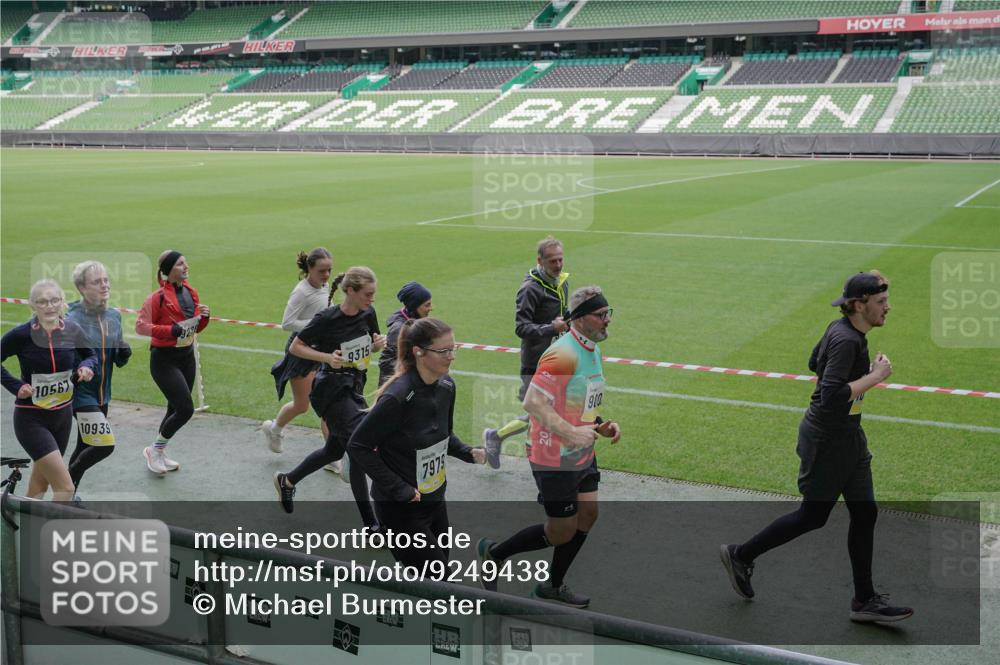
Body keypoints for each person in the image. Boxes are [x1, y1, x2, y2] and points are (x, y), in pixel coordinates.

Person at [720, 271, 913, 624]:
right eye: (881, 302)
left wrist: (855, 376)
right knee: (813, 516)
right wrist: (875, 376)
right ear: (859, 305)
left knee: (865, 513)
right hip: (827, 440)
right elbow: (831, 397)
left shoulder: (843, 331)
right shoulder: (846, 340)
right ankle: (741, 554)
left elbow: (814, 363)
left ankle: (864, 600)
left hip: (849, 437)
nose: (888, 307)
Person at [478, 286, 621, 608]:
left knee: (588, 515)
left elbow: (577, 401)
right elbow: (533, 402)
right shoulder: (562, 354)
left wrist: (600, 424)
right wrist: (572, 433)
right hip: (553, 456)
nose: (607, 320)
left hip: (580, 449)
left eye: (608, 313)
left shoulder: (593, 350)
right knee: (561, 532)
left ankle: (552, 586)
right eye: (601, 315)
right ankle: (494, 553)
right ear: (580, 318)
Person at [350, 318, 487, 567]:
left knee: (435, 576)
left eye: (453, 349)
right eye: (443, 351)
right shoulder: (397, 397)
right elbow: (358, 446)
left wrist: (469, 452)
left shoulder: (447, 386)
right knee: (438, 579)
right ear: (419, 352)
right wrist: (399, 488)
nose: (451, 357)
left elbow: (442, 435)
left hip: (435, 501)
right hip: (400, 508)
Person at [273, 266, 385, 532]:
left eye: (373, 294)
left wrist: (376, 345)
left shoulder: (368, 313)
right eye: (367, 294)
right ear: (351, 291)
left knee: (334, 450)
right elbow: (295, 347)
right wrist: (327, 358)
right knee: (358, 448)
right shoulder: (327, 318)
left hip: (354, 386)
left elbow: (370, 344)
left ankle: (287, 481)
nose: (372, 299)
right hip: (330, 390)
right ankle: (371, 525)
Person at [1, 280, 97, 501]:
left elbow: (91, 355)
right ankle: (53, 524)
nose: (50, 306)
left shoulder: (72, 330)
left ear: (62, 302)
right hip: (31, 419)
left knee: (39, 485)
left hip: (62, 417)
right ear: (32, 305)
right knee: (66, 489)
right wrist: (16, 386)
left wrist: (86, 366)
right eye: (42, 302)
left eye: (54, 300)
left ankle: (25, 523)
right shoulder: (21, 335)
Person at [482, 236, 569, 469]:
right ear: (540, 261)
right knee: (541, 414)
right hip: (536, 363)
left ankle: (497, 437)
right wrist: (552, 328)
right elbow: (521, 328)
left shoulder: (561, 282)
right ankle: (500, 439)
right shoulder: (530, 289)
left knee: (549, 412)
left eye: (560, 259)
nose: (558, 265)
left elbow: (562, 315)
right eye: (553, 261)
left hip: (558, 360)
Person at [135, 250, 210, 476]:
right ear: (169, 270)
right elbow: (140, 327)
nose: (186, 267)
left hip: (186, 357)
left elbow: (194, 328)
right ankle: (154, 450)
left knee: (174, 408)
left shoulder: (191, 292)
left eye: (185, 262)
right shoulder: (157, 297)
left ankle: (159, 451)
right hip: (164, 360)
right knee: (185, 409)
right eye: (180, 264)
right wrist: (170, 331)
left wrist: (204, 317)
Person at [65, 261, 131, 490]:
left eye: (106, 280)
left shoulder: (114, 316)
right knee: (104, 444)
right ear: (82, 288)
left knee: (85, 446)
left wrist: (124, 354)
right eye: (97, 282)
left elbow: (117, 360)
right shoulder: (71, 320)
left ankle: (66, 496)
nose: (105, 285)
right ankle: (63, 488)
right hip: (79, 394)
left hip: (103, 394)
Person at [261, 248, 333, 454]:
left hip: (321, 350)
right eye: (322, 271)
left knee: (327, 405)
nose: (326, 275)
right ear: (310, 268)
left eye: (329, 270)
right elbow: (287, 323)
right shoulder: (301, 292)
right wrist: (317, 324)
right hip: (300, 351)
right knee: (302, 405)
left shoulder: (326, 286)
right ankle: (274, 430)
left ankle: (332, 455)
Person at [377, 281, 433, 387]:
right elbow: (388, 363)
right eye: (427, 305)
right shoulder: (398, 329)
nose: (431, 308)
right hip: (397, 385)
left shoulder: (415, 321)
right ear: (414, 306)